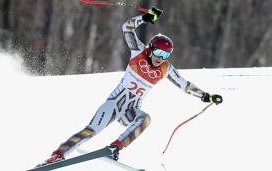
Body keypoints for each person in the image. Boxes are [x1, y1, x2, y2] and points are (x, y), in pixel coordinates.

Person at [39, 7, 223, 165]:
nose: (160, 58)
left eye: (166, 55)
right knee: (91, 130)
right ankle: (58, 155)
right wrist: (145, 18)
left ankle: (115, 148)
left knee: (145, 120)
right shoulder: (139, 52)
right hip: (113, 105)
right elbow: (126, 27)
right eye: (158, 52)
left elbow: (185, 85)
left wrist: (206, 96)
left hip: (131, 110)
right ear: (151, 49)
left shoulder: (166, 69)